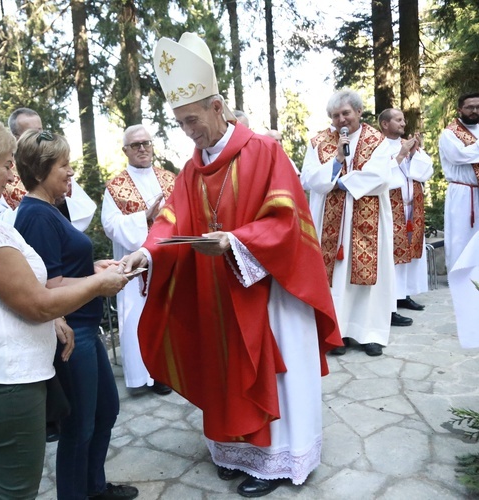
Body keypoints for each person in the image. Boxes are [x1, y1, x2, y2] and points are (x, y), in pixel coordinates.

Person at [120, 33, 341, 498]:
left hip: (268, 291)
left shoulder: (263, 151)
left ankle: (278, 462)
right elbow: (169, 220)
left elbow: (287, 220)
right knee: (222, 367)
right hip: (217, 293)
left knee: (275, 373)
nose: (189, 132)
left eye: (193, 120)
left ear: (218, 107)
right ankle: (232, 450)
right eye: (180, 124)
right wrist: (145, 253)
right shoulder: (190, 168)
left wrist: (237, 241)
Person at [0, 116, 128, 500]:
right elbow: (38, 302)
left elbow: (23, 290)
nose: (12, 176)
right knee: (18, 489)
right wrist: (99, 284)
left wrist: (67, 300)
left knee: (11, 485)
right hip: (4, 378)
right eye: (6, 165)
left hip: (1, 372)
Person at [14, 130, 139, 500]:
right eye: (63, 166)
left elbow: (59, 270)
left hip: (85, 326)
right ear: (40, 172)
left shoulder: (49, 210)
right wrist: (99, 283)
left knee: (105, 411)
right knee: (79, 426)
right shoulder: (36, 216)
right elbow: (47, 287)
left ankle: (94, 488)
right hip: (71, 332)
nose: (71, 172)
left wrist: (92, 270)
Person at [301, 88, 395, 357]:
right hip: (329, 220)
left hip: (368, 217)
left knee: (367, 279)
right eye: (335, 115)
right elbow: (308, 178)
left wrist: (340, 183)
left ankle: (370, 334)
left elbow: (381, 176)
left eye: (346, 113)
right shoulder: (318, 141)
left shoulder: (377, 140)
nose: (341, 120)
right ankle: (337, 333)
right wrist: (337, 162)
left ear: (358, 112)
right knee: (334, 279)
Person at [101, 124, 175, 395]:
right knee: (138, 318)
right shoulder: (116, 186)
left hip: (168, 261)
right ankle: (146, 375)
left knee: (170, 316)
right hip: (136, 267)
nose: (142, 148)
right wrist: (143, 217)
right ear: (125, 151)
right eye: (136, 145)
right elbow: (109, 224)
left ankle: (170, 371)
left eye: (146, 143)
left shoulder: (169, 179)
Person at [0, 107, 97, 231]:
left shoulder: (56, 165)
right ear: (16, 138)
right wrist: (37, 207)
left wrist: (61, 204)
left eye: (40, 131)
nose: (40, 137)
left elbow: (85, 208)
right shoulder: (3, 171)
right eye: (31, 133)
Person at [378, 108, 434, 326]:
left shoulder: (408, 143)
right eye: (398, 120)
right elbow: (382, 173)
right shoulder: (377, 146)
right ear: (384, 124)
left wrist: (414, 153)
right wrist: (401, 155)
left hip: (412, 206)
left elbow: (422, 172)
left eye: (403, 120)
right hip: (391, 207)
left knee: (409, 252)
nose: (403, 123)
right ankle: (389, 302)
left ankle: (403, 294)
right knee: (392, 255)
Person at [438, 92, 479, 272]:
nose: (475, 111)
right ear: (460, 109)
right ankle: (459, 275)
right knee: (461, 237)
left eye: (478, 107)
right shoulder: (450, 133)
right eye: (470, 107)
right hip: (463, 193)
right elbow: (459, 156)